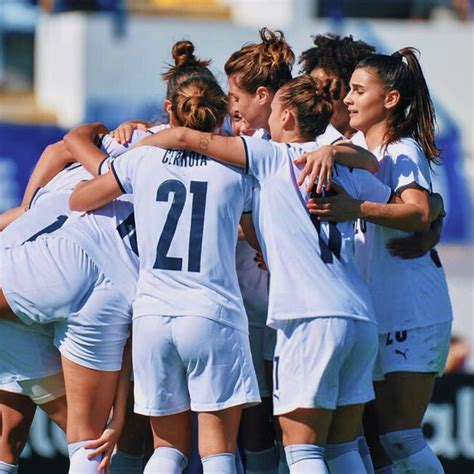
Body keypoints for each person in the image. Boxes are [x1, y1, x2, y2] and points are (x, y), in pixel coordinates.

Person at [128, 74, 424, 474]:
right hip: (358, 316)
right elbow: (373, 163)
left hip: (309, 318)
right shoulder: (341, 167)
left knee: (303, 452)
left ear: (285, 115)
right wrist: (337, 153)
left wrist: (138, 146)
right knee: (342, 448)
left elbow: (186, 140)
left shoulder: (270, 157)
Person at [70, 73, 261, 474]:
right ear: (222, 112)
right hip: (213, 314)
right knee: (219, 453)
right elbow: (254, 235)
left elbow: (79, 198)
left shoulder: (141, 158)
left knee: (167, 451)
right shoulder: (236, 170)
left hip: (153, 317)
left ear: (170, 109)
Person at [308, 48, 452, 473]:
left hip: (413, 310)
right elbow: (430, 209)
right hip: (374, 312)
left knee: (401, 438)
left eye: (357, 90)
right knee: (372, 440)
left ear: (389, 99)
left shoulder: (403, 148)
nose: (347, 100)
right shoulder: (350, 146)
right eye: (347, 90)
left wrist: (357, 209)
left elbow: (419, 211)